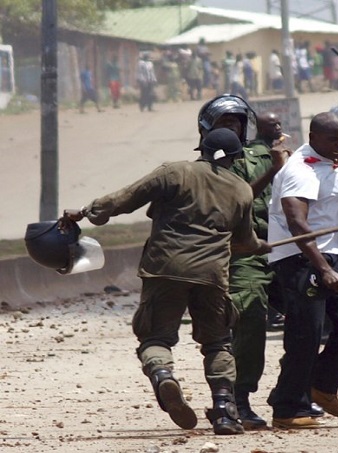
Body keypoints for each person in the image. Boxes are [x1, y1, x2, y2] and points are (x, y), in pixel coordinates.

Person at [61, 126, 271, 435]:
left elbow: (124, 198)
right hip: (211, 274)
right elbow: (243, 240)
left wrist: (85, 212)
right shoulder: (241, 190)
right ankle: (225, 410)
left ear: (202, 149)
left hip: (165, 269)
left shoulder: (174, 172)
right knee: (217, 342)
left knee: (156, 338)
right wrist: (259, 246)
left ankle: (162, 375)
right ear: (237, 157)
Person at [266, 112, 338, 429]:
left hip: (334, 253)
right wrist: (324, 269)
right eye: (333, 139)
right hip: (301, 257)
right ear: (312, 136)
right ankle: (287, 408)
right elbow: (298, 223)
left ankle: (322, 386)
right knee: (306, 334)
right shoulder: (300, 170)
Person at [205, 99, 291, 430]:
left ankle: (294, 393)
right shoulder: (212, 162)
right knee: (251, 317)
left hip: (281, 246)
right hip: (242, 252)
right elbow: (236, 199)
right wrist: (274, 168)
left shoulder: (262, 154)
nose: (233, 127)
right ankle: (239, 398)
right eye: (225, 121)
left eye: (238, 122)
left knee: (314, 314)